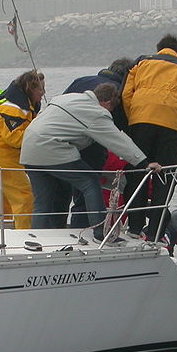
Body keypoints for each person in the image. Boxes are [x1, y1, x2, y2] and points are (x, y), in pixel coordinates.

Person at [19, 83, 161, 243]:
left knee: (42, 201)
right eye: (111, 110)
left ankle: (36, 238)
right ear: (107, 103)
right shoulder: (96, 112)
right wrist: (143, 162)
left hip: (29, 149)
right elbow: (117, 140)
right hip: (52, 148)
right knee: (90, 182)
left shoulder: (68, 98)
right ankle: (101, 233)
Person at [122, 34, 177, 241]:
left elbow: (126, 94)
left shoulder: (142, 62)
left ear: (158, 49)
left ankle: (135, 227)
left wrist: (133, 120)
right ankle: (154, 231)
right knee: (165, 178)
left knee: (138, 173)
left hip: (141, 121)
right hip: (172, 126)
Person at [63, 58, 134, 227]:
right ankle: (83, 230)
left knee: (60, 195)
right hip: (90, 148)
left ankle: (55, 232)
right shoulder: (118, 91)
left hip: (61, 145)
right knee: (86, 194)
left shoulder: (80, 81)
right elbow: (119, 130)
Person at [0, 70, 45, 229]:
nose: (43, 93)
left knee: (0, 197)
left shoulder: (14, 105)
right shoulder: (15, 109)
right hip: (4, 159)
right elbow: (14, 138)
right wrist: (41, 138)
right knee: (24, 196)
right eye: (40, 89)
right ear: (30, 88)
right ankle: (25, 233)